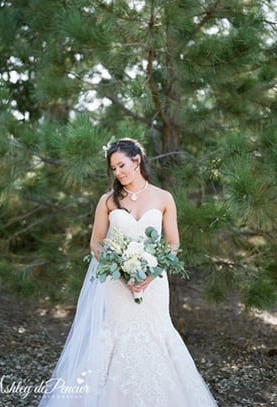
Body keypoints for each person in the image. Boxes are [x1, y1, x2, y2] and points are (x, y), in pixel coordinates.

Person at [39, 139, 216, 406]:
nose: (118, 172)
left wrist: (152, 272)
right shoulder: (108, 201)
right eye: (113, 168)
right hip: (116, 284)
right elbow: (96, 243)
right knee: (117, 334)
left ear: (137, 160)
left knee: (156, 334)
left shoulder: (163, 197)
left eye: (121, 165)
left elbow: (174, 243)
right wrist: (121, 274)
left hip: (154, 283)